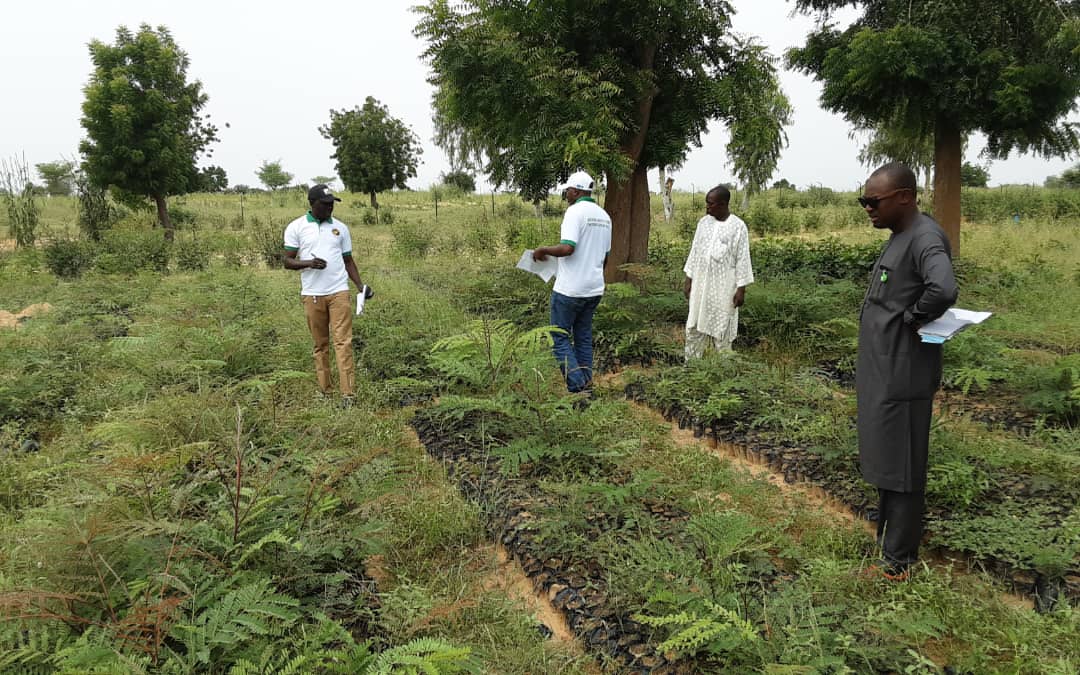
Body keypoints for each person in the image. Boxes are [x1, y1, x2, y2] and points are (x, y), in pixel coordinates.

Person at [856, 163, 958, 580]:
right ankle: (888, 540)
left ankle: (899, 562)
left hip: (904, 372)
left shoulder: (925, 237)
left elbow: (944, 288)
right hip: (885, 369)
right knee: (887, 453)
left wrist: (915, 317)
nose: (868, 209)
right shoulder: (901, 236)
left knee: (903, 460)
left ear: (905, 196)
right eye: (864, 201)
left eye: (873, 201)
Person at [283, 184, 368, 408]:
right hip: (312, 294)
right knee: (321, 345)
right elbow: (287, 260)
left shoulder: (340, 228)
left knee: (343, 343)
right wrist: (309, 263)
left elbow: (348, 260)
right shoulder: (296, 227)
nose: (330, 207)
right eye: (325, 204)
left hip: (339, 291)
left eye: (332, 204)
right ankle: (325, 390)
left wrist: (360, 285)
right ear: (312, 204)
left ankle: (348, 394)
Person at [532, 171, 612, 393]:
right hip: (594, 289)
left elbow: (568, 248)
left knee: (558, 337)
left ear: (576, 191)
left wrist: (543, 250)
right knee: (583, 337)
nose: (566, 194)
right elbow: (605, 257)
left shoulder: (574, 212)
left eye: (567, 190)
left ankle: (578, 387)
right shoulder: (604, 216)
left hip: (570, 290)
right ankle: (586, 382)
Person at [682, 185, 754, 360]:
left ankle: (723, 370)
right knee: (693, 327)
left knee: (722, 330)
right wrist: (688, 279)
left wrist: (741, 289)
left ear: (723, 204)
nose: (707, 207)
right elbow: (695, 251)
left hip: (724, 288)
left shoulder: (738, 227)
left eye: (710, 204)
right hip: (700, 285)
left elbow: (742, 258)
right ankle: (691, 368)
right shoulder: (703, 223)